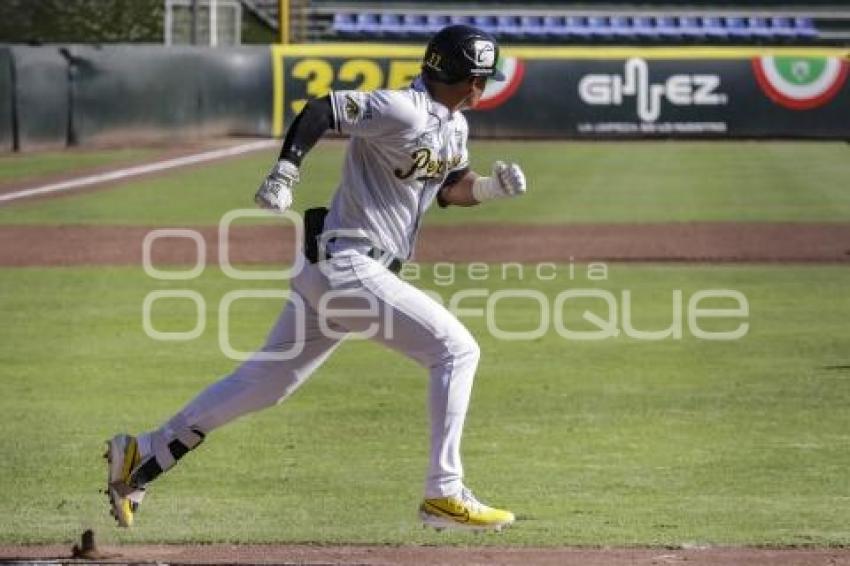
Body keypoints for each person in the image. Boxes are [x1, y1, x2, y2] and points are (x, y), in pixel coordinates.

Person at [105, 24, 527, 532]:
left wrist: (486, 190)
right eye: (480, 77)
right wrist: (286, 171)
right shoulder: (402, 108)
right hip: (350, 264)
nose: (483, 88)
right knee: (456, 350)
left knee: (266, 382)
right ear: (459, 75)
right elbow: (322, 109)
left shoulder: (454, 126)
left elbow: (446, 187)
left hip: (334, 271)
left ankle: (144, 455)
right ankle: (444, 492)